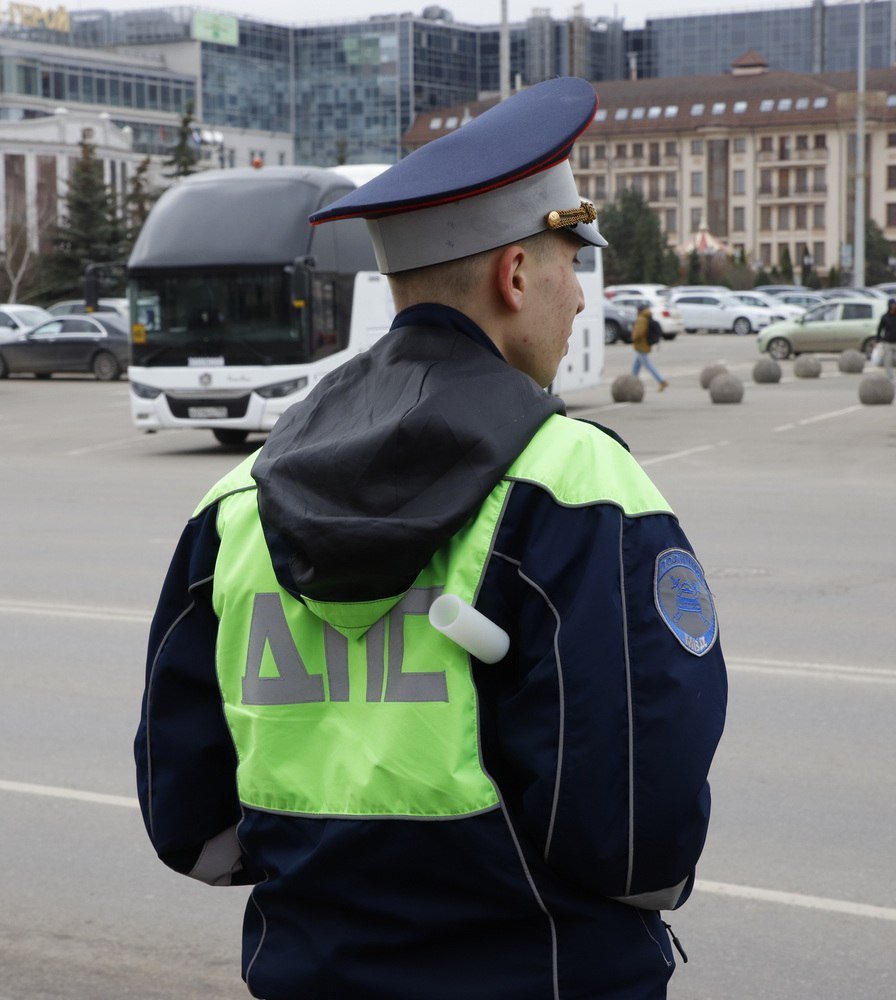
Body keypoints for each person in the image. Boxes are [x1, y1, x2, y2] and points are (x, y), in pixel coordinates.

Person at [134, 77, 727, 1000]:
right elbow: (636, 829)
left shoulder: (235, 501)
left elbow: (193, 821)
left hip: (310, 972)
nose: (579, 300)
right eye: (571, 263)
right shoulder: (577, 482)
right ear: (515, 274)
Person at [631, 305, 669, 391]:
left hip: (641, 345)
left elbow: (639, 333)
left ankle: (662, 381)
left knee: (648, 366)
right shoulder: (647, 317)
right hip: (643, 345)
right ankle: (632, 382)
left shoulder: (641, 319)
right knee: (636, 367)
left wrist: (633, 337)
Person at [875, 298, 896, 382]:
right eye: (892, 305)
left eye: (895, 305)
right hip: (887, 341)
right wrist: (878, 340)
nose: (894, 307)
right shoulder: (885, 317)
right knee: (887, 361)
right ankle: (890, 377)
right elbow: (880, 329)